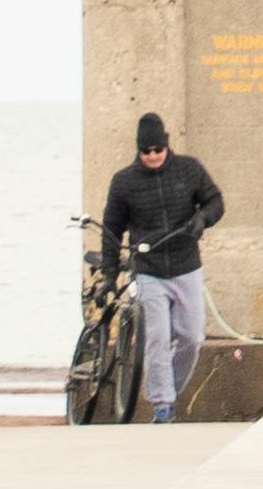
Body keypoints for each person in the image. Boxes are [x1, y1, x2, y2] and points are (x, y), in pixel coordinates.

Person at [97, 112, 227, 421]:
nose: (153, 156)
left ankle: (171, 391)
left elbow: (215, 201)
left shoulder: (189, 169)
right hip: (149, 269)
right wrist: (109, 275)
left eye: (157, 150)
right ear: (138, 151)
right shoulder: (124, 182)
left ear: (166, 145)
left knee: (192, 338)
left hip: (186, 266)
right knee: (157, 336)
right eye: (146, 151)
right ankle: (162, 405)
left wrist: (202, 219)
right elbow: (111, 232)